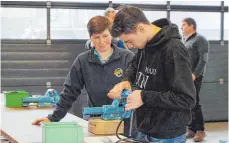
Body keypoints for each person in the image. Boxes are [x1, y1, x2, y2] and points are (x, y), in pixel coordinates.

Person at [32, 16, 134, 136]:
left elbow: (140, 87)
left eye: (105, 36)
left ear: (111, 34)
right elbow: (69, 92)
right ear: (90, 38)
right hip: (96, 123)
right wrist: (53, 118)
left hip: (127, 125)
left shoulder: (128, 57)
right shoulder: (82, 61)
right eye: (97, 37)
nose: (102, 41)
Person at [107, 5, 196, 143]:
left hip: (167, 135)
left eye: (129, 41)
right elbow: (134, 65)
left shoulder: (173, 50)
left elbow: (186, 99)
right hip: (145, 129)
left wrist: (144, 97)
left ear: (141, 28)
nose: (129, 47)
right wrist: (126, 80)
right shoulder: (146, 43)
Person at [181, 17, 209, 142]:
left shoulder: (200, 39)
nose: (182, 27)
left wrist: (195, 74)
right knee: (189, 102)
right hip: (185, 77)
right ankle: (191, 129)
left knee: (195, 103)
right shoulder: (186, 41)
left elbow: (203, 59)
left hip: (195, 77)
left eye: (184, 25)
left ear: (191, 26)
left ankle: (200, 130)